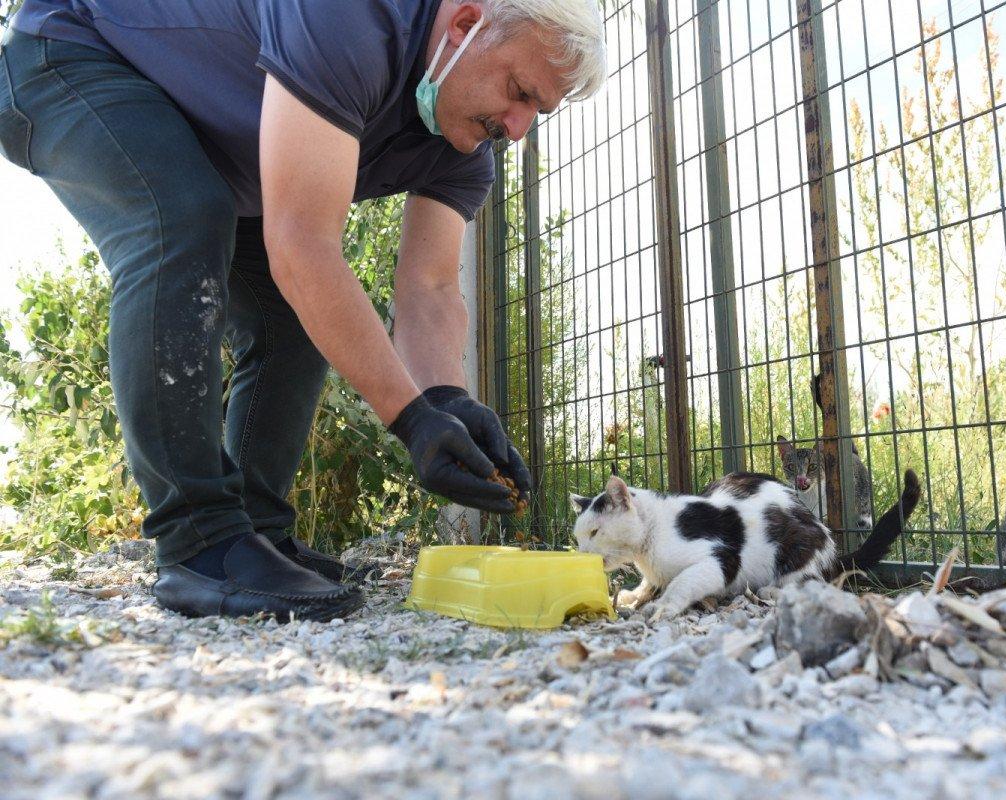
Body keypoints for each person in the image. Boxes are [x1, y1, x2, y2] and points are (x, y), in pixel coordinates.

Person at [0, 0, 606, 621]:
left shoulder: (464, 148)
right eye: (518, 91)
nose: (519, 126)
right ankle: (199, 543)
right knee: (180, 218)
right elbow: (302, 246)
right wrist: (410, 421)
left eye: (537, 110)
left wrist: (446, 400)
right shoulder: (353, 19)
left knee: (290, 313)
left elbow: (427, 286)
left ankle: (253, 534)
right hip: (68, 56)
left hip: (201, 140)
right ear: (463, 25)